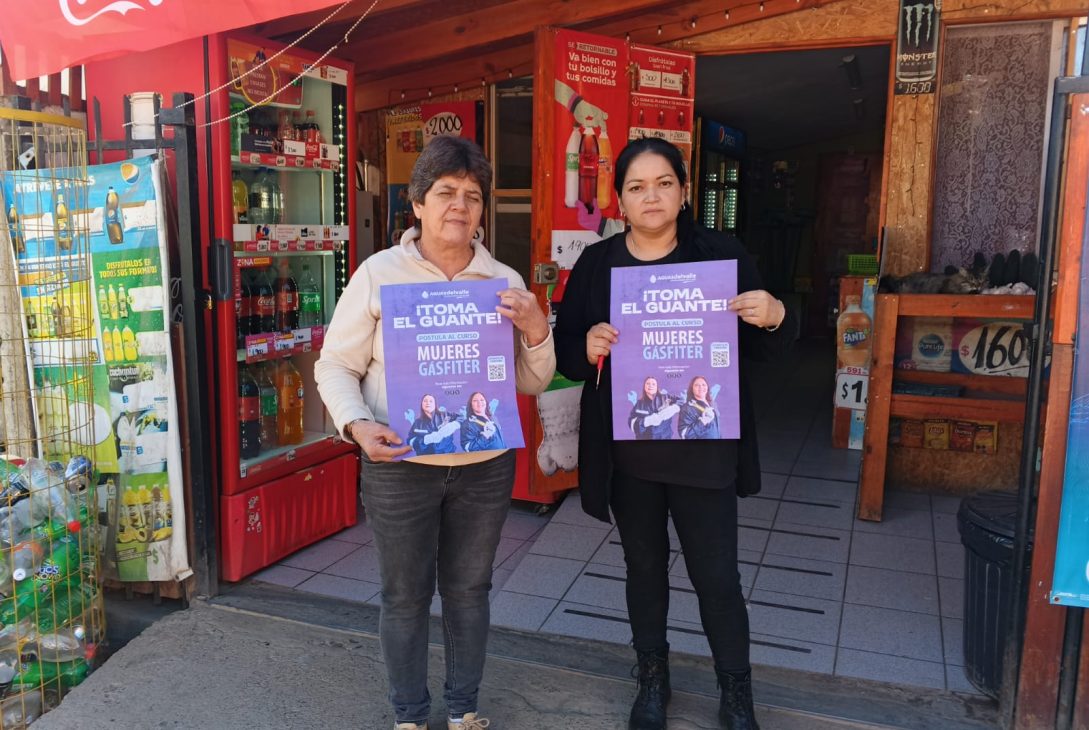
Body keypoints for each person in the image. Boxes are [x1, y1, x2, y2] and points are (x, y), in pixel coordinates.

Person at [315, 135, 555, 730]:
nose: (460, 206)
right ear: (418, 204)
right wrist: (357, 424)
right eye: (446, 192)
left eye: (472, 196)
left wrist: (535, 329)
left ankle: (463, 709)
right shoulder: (378, 274)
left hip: (485, 469)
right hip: (398, 466)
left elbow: (532, 382)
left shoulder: (502, 278)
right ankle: (410, 715)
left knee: (470, 591)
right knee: (404, 596)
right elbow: (334, 364)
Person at [554, 137, 793, 730]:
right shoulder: (598, 263)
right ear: (620, 202)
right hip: (629, 456)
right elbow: (566, 351)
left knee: (717, 576)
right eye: (637, 187)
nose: (651, 196)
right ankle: (652, 680)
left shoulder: (722, 255)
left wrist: (777, 314)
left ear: (684, 192)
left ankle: (736, 692)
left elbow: (767, 348)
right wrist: (585, 348)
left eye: (664, 183)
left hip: (706, 452)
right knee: (644, 571)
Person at [678, 376, 719, 440]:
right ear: (692, 389)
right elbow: (684, 434)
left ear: (707, 387)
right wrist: (703, 421)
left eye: (703, 384)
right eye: (697, 385)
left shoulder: (712, 404)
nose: (701, 387)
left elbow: (716, 428)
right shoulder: (687, 408)